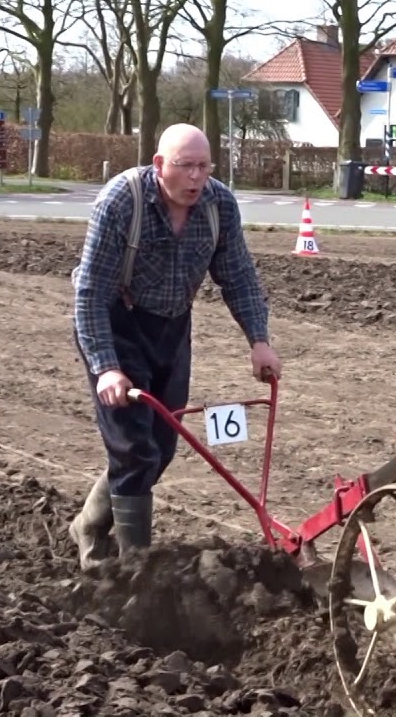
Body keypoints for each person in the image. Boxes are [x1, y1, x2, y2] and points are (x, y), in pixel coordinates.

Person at [67, 123, 281, 570]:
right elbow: (90, 291)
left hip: (172, 328)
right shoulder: (122, 200)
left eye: (204, 166)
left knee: (161, 447)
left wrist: (259, 340)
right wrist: (106, 366)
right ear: (160, 164)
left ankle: (89, 523)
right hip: (117, 324)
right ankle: (134, 569)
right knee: (134, 447)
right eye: (185, 166)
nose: (196, 177)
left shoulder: (219, 205)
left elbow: (239, 276)